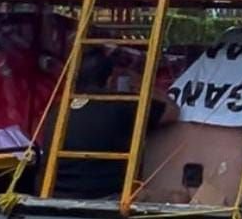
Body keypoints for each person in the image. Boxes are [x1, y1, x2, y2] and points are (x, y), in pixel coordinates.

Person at [42, 50, 178, 199]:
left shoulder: (56, 110)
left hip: (56, 197)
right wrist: (142, 84)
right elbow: (172, 111)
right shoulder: (123, 104)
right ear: (110, 79)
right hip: (106, 199)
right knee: (178, 198)